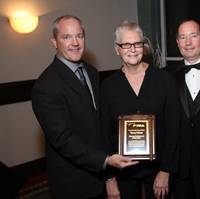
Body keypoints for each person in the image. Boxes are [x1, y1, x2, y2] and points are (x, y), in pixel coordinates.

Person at [31, 15, 137, 199]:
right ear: (54, 42)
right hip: (73, 182)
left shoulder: (91, 72)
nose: (75, 42)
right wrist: (105, 161)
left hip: (99, 175)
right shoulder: (46, 86)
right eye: (67, 37)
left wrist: (108, 177)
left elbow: (99, 126)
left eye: (79, 36)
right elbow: (63, 139)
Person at [100, 20, 180, 199]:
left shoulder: (163, 80)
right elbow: (103, 134)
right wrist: (109, 179)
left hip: (158, 168)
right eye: (126, 44)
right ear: (117, 49)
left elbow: (174, 128)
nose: (133, 49)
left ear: (143, 47)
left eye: (137, 43)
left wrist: (166, 170)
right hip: (122, 170)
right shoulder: (107, 86)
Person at [166, 19, 200, 199]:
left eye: (193, 36)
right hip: (180, 168)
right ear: (177, 42)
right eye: (183, 37)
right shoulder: (166, 76)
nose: (188, 43)